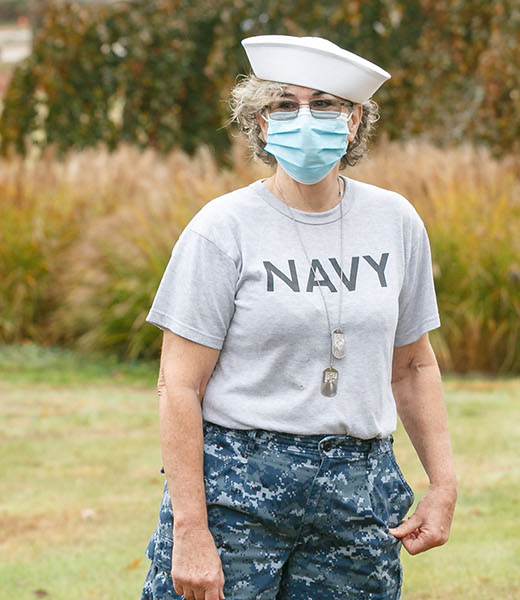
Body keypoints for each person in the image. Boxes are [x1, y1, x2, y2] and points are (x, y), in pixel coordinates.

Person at [140, 35, 456, 600]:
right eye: (284, 105)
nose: (304, 118)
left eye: (325, 104)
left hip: (357, 494)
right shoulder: (222, 228)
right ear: (260, 123)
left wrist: (443, 482)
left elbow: (411, 366)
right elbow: (179, 386)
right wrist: (190, 528)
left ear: (355, 120)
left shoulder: (395, 221)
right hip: (236, 493)